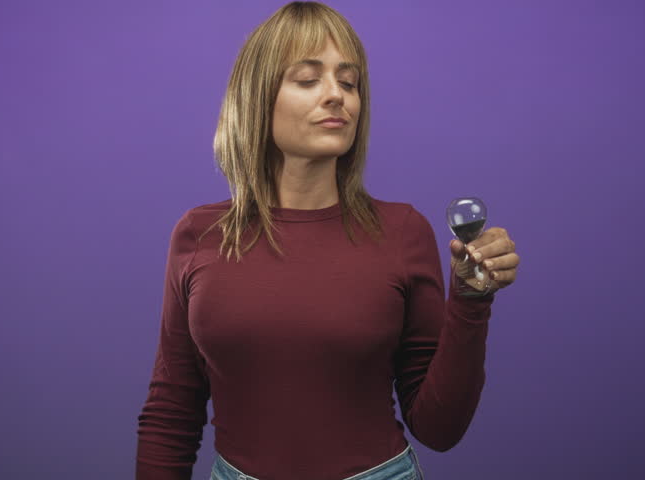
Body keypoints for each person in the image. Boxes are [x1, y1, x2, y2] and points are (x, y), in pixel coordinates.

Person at [135, 2, 520, 479]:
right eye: (307, 79)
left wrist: (471, 298)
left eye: (349, 82)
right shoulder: (199, 236)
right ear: (257, 97)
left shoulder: (403, 232)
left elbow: (440, 427)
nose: (336, 95)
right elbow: (172, 411)